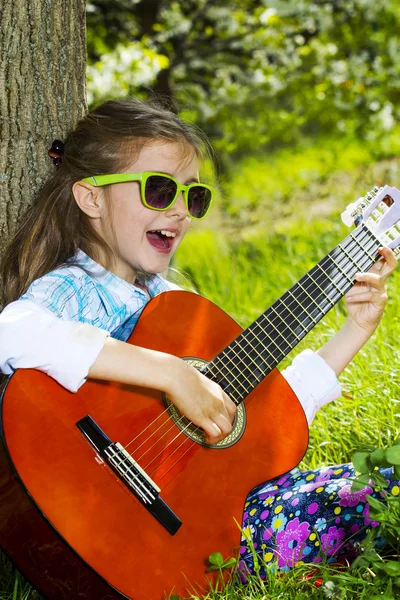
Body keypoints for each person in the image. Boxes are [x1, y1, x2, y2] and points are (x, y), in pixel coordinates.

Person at [0, 98, 398, 577]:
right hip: (122, 523)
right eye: (160, 190)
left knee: (382, 476)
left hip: (198, 518)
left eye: (192, 197)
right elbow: (11, 332)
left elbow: (266, 416)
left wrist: (354, 329)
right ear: (91, 198)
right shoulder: (74, 288)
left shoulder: (174, 302)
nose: (180, 211)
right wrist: (169, 373)